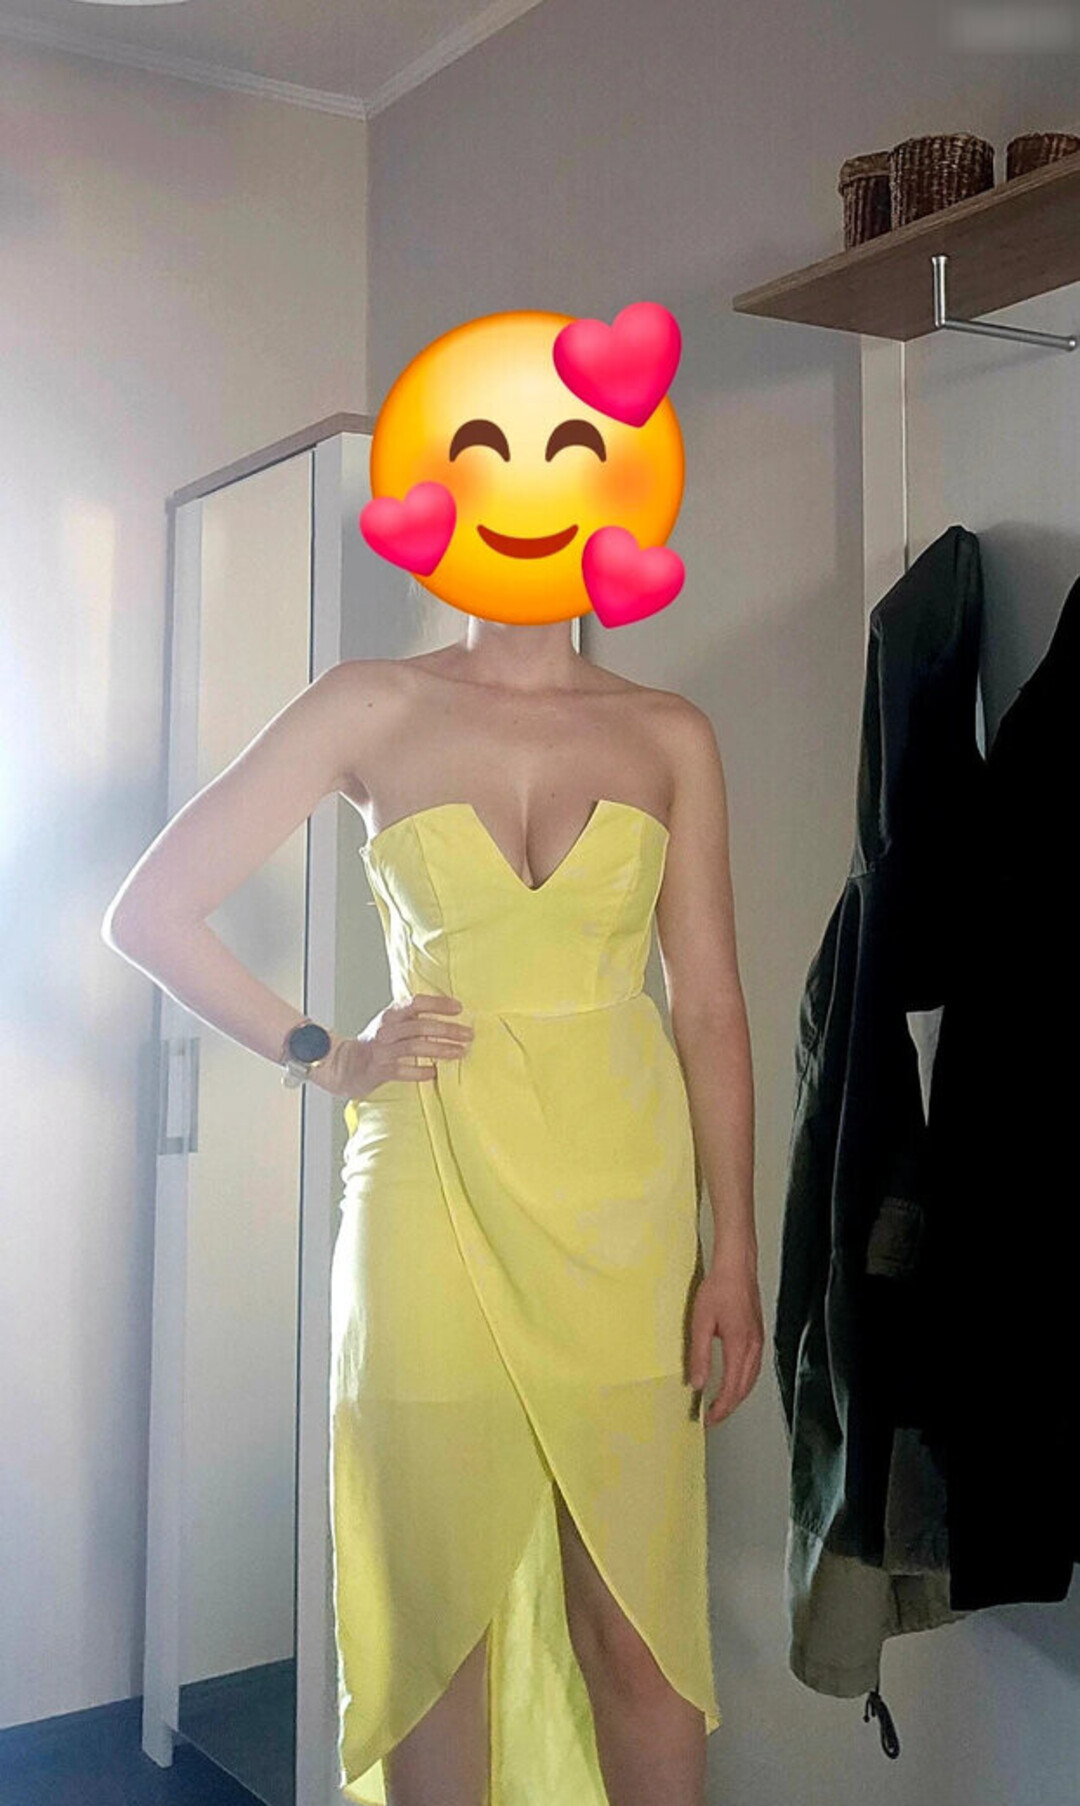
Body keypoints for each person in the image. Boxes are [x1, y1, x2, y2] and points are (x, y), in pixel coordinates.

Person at [103, 612, 762, 1806]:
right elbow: (151, 912)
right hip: (427, 1191)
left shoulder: (671, 733)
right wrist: (326, 1054)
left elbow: (709, 1005)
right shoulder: (371, 703)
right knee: (437, 1625)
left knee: (639, 1626)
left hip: (626, 1206)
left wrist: (737, 1253)